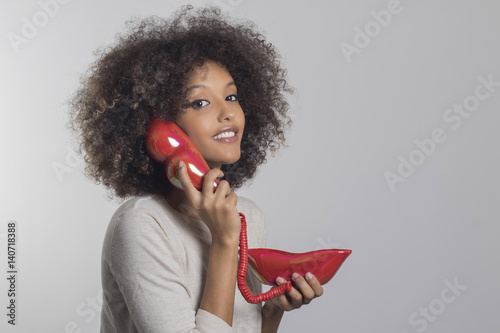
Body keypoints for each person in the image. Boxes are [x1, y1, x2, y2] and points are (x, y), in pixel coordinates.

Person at [69, 5, 323, 332]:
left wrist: (271, 312)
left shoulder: (248, 215)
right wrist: (224, 241)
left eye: (231, 96)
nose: (228, 113)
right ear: (159, 129)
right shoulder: (140, 225)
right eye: (200, 102)